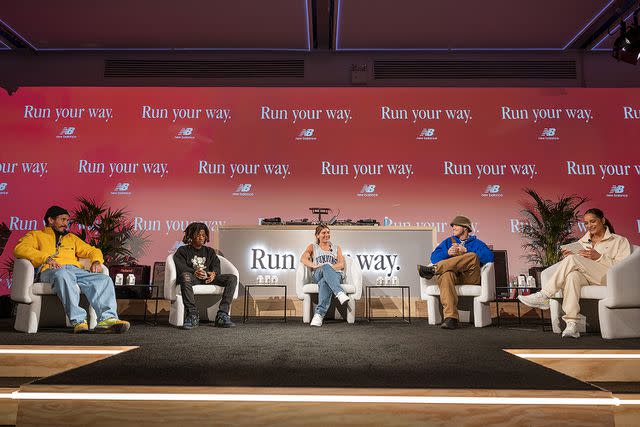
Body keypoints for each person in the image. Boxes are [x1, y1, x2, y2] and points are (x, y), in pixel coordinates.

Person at [13, 205, 130, 333]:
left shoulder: (71, 238)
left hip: (75, 271)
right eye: (62, 219)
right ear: (50, 220)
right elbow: (20, 249)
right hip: (50, 271)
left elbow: (92, 250)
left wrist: (96, 260)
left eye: (67, 220)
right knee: (63, 274)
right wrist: (45, 258)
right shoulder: (36, 235)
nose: (66, 223)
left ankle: (107, 319)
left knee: (104, 279)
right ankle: (79, 320)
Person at [519, 208, 631, 338]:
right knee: (572, 276)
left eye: (593, 221)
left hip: (609, 278)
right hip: (587, 276)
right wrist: (570, 255)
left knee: (572, 260)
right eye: (586, 223)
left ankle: (544, 295)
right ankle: (572, 325)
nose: (589, 226)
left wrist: (600, 257)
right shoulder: (582, 242)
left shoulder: (619, 241)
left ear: (603, 220)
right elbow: (575, 264)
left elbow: (624, 267)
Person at [417, 215, 494, 330]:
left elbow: (489, 257)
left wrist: (466, 250)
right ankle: (451, 318)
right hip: (454, 277)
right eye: (452, 226)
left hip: (470, 277)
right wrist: (447, 253)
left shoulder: (477, 243)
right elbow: (433, 257)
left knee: (472, 256)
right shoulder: (448, 242)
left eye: (456, 225)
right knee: (446, 274)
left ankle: (434, 269)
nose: (453, 227)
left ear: (465, 228)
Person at [173, 222, 237, 329]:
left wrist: (213, 274)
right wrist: (194, 272)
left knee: (232, 278)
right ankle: (192, 314)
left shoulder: (210, 251)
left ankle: (222, 315)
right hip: (193, 278)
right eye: (198, 235)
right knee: (185, 276)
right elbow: (180, 267)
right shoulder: (182, 250)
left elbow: (216, 265)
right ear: (191, 236)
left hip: (207, 278)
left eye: (203, 235)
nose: (201, 238)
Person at [300, 224, 350, 327]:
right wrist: (315, 265)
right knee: (325, 267)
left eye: (328, 232)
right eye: (323, 233)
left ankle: (318, 315)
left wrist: (327, 268)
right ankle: (339, 293)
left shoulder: (336, 248)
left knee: (324, 281)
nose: (326, 235)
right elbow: (303, 259)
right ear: (317, 235)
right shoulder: (313, 247)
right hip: (318, 274)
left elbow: (341, 264)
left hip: (335, 276)